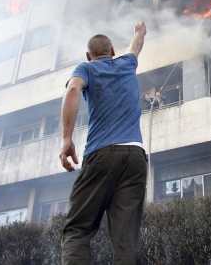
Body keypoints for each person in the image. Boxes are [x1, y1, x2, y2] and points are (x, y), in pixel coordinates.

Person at [58, 22, 148, 265]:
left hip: (101, 154)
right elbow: (136, 46)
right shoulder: (127, 63)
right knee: (125, 237)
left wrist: (67, 138)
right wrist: (139, 32)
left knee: (78, 228)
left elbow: (73, 90)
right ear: (113, 52)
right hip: (135, 156)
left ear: (89, 56)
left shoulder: (86, 68)